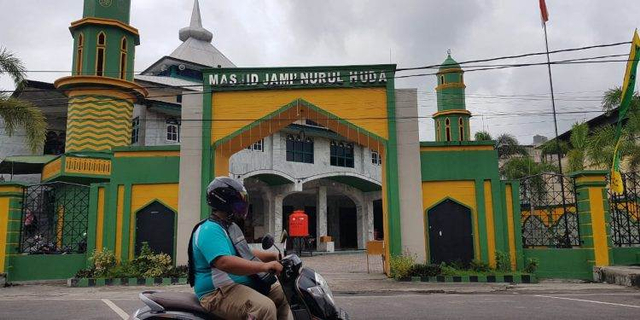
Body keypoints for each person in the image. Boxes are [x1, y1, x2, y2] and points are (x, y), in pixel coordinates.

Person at [188, 177, 290, 320]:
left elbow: (244, 252)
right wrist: (264, 266)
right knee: (264, 308)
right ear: (224, 203)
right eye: (238, 203)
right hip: (216, 292)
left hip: (235, 286)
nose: (242, 207)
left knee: (284, 293)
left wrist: (273, 257)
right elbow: (224, 262)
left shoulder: (230, 227)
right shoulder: (209, 229)